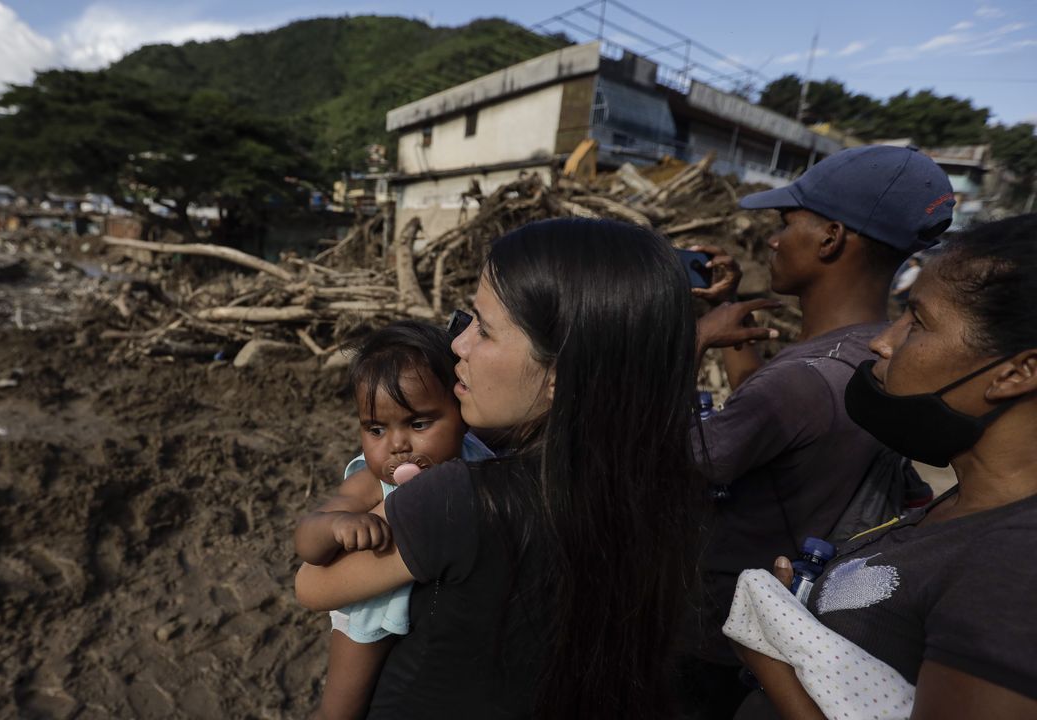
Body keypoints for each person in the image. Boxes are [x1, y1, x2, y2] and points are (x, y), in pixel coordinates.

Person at [296, 218, 700, 718]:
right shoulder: (657, 489)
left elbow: (311, 586)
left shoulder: (458, 500)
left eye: (484, 329)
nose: (458, 344)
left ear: (558, 375)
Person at [677, 145, 956, 718]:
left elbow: (668, 458)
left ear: (830, 238)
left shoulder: (802, 380)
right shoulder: (879, 351)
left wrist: (692, 340)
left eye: (786, 224)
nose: (773, 241)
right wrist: (732, 316)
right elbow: (783, 429)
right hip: (790, 622)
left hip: (724, 640)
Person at [733, 214, 1037, 719]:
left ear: (1018, 372)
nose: (884, 342)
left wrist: (771, 659)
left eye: (917, 322)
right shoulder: (967, 500)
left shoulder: (1016, 565)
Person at [293, 320, 492, 720]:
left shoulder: (480, 459)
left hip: (431, 616)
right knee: (342, 710)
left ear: (461, 412)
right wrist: (336, 527)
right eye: (376, 429)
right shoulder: (369, 483)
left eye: (419, 424)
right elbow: (307, 541)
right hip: (370, 615)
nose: (397, 445)